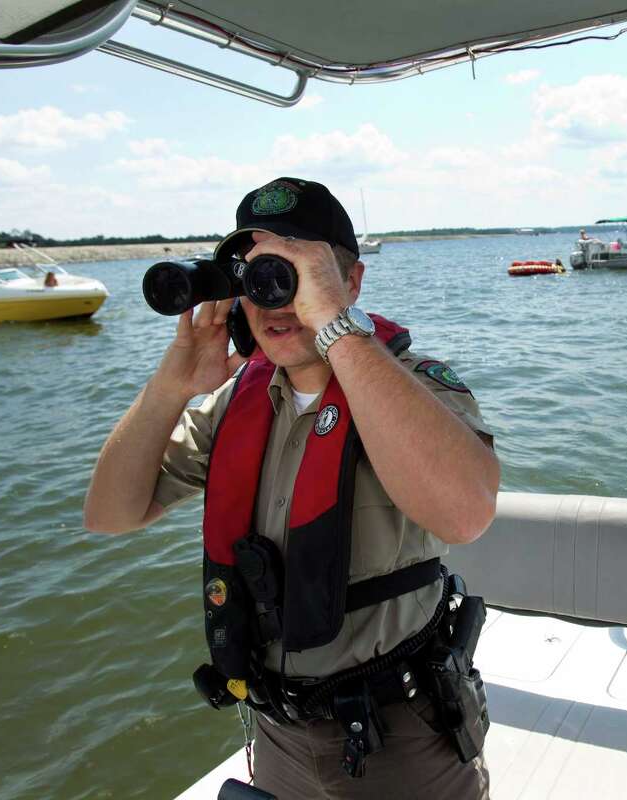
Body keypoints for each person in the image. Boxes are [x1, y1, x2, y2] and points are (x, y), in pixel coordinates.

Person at [83, 177, 499, 799]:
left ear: (350, 282)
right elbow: (109, 514)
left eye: (294, 274)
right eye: (257, 277)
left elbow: (467, 514)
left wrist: (334, 327)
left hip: (399, 735)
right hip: (277, 732)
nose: (274, 300)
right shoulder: (234, 404)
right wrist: (171, 385)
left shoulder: (413, 389)